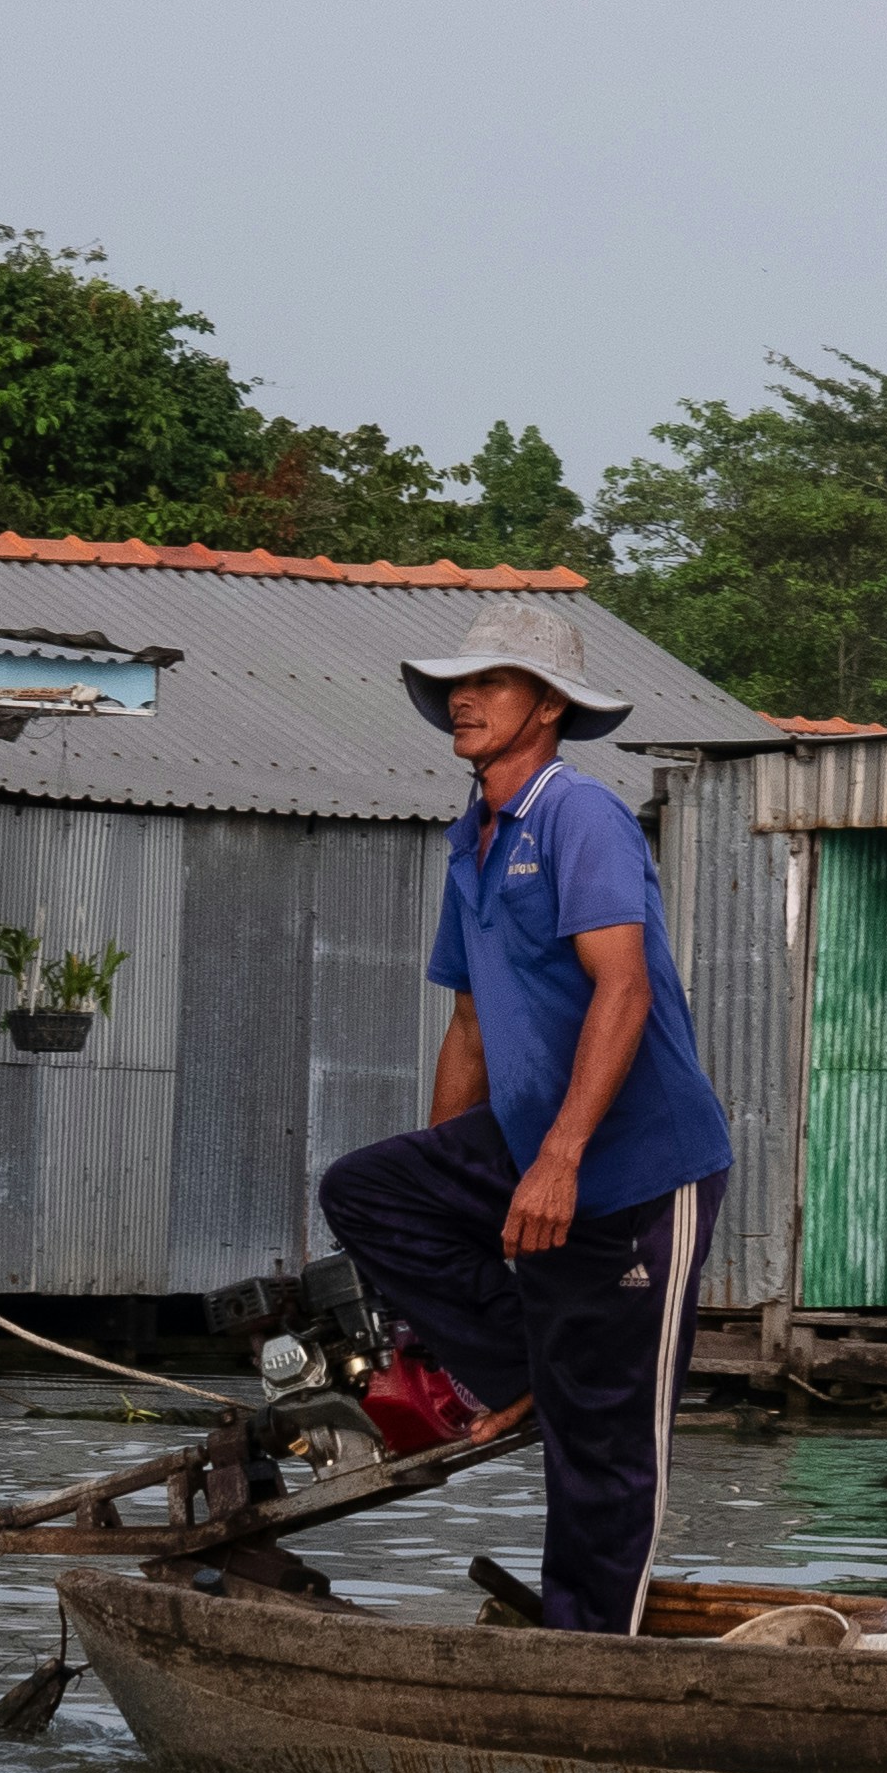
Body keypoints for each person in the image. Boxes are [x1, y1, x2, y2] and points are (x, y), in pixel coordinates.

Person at [313, 599, 732, 1632]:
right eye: (459, 684)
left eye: (490, 684)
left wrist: (559, 1161)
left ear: (545, 707)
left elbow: (622, 991)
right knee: (369, 1190)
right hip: (534, 1141)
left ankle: (590, 1654)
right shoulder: (475, 837)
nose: (464, 699)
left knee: (606, 1449)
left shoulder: (577, 814)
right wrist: (448, 1164)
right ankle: (518, 1368)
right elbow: (467, 1023)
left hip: (639, 1167)